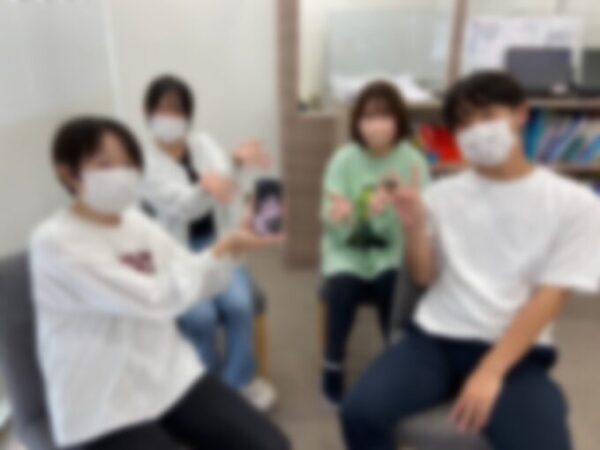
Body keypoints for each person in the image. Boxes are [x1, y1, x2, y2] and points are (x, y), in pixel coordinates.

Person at [340, 71, 600, 450]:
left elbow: (552, 297)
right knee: (359, 412)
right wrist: (415, 228)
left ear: (521, 114)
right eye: (464, 123)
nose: (476, 130)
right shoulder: (441, 194)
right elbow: (423, 276)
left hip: (515, 351)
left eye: (488, 115)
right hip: (435, 338)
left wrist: (490, 371)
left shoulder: (574, 204)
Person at [29, 117, 290, 450]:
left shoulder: (136, 223)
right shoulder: (55, 242)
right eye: (105, 165)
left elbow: (192, 274)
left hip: (168, 375)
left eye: (128, 164)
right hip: (100, 404)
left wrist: (234, 246)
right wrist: (220, 249)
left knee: (272, 445)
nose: (122, 174)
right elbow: (154, 298)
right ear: (69, 174)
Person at [139, 74, 276, 410]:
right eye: (162, 108)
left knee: (239, 306)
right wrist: (208, 185)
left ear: (188, 115)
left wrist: (235, 164)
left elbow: (226, 184)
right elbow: (185, 206)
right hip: (176, 252)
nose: (170, 116)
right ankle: (208, 385)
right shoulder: (145, 164)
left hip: (220, 240)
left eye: (178, 109)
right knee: (200, 318)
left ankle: (237, 384)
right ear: (148, 112)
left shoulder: (203, 143)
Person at [319, 81, 430, 405]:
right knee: (341, 289)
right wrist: (342, 217)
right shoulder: (343, 159)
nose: (376, 124)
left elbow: (421, 220)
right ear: (357, 122)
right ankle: (333, 364)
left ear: (399, 120)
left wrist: (389, 213)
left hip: (392, 250)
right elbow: (328, 214)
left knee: (391, 286)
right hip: (347, 251)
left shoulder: (413, 161)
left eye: (385, 116)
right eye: (368, 116)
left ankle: (395, 363)